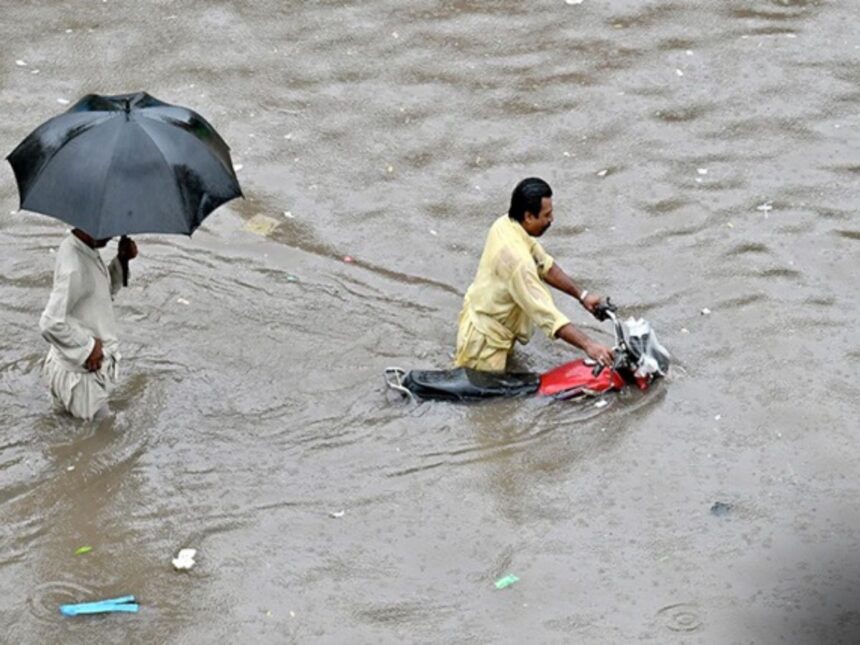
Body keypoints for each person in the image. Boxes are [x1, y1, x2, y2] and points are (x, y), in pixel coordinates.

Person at [455, 177, 614, 373]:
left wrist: (582, 296)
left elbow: (544, 264)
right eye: (546, 215)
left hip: (489, 323)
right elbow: (546, 314)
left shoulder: (506, 223)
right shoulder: (517, 261)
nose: (551, 219)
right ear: (529, 216)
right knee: (493, 401)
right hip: (485, 344)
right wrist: (590, 345)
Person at [39, 229, 138, 420]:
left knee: (70, 434)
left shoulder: (78, 247)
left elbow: (98, 292)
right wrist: (88, 347)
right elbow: (50, 323)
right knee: (103, 438)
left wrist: (121, 260)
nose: (112, 235)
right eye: (108, 229)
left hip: (67, 367)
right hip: (82, 378)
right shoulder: (75, 266)